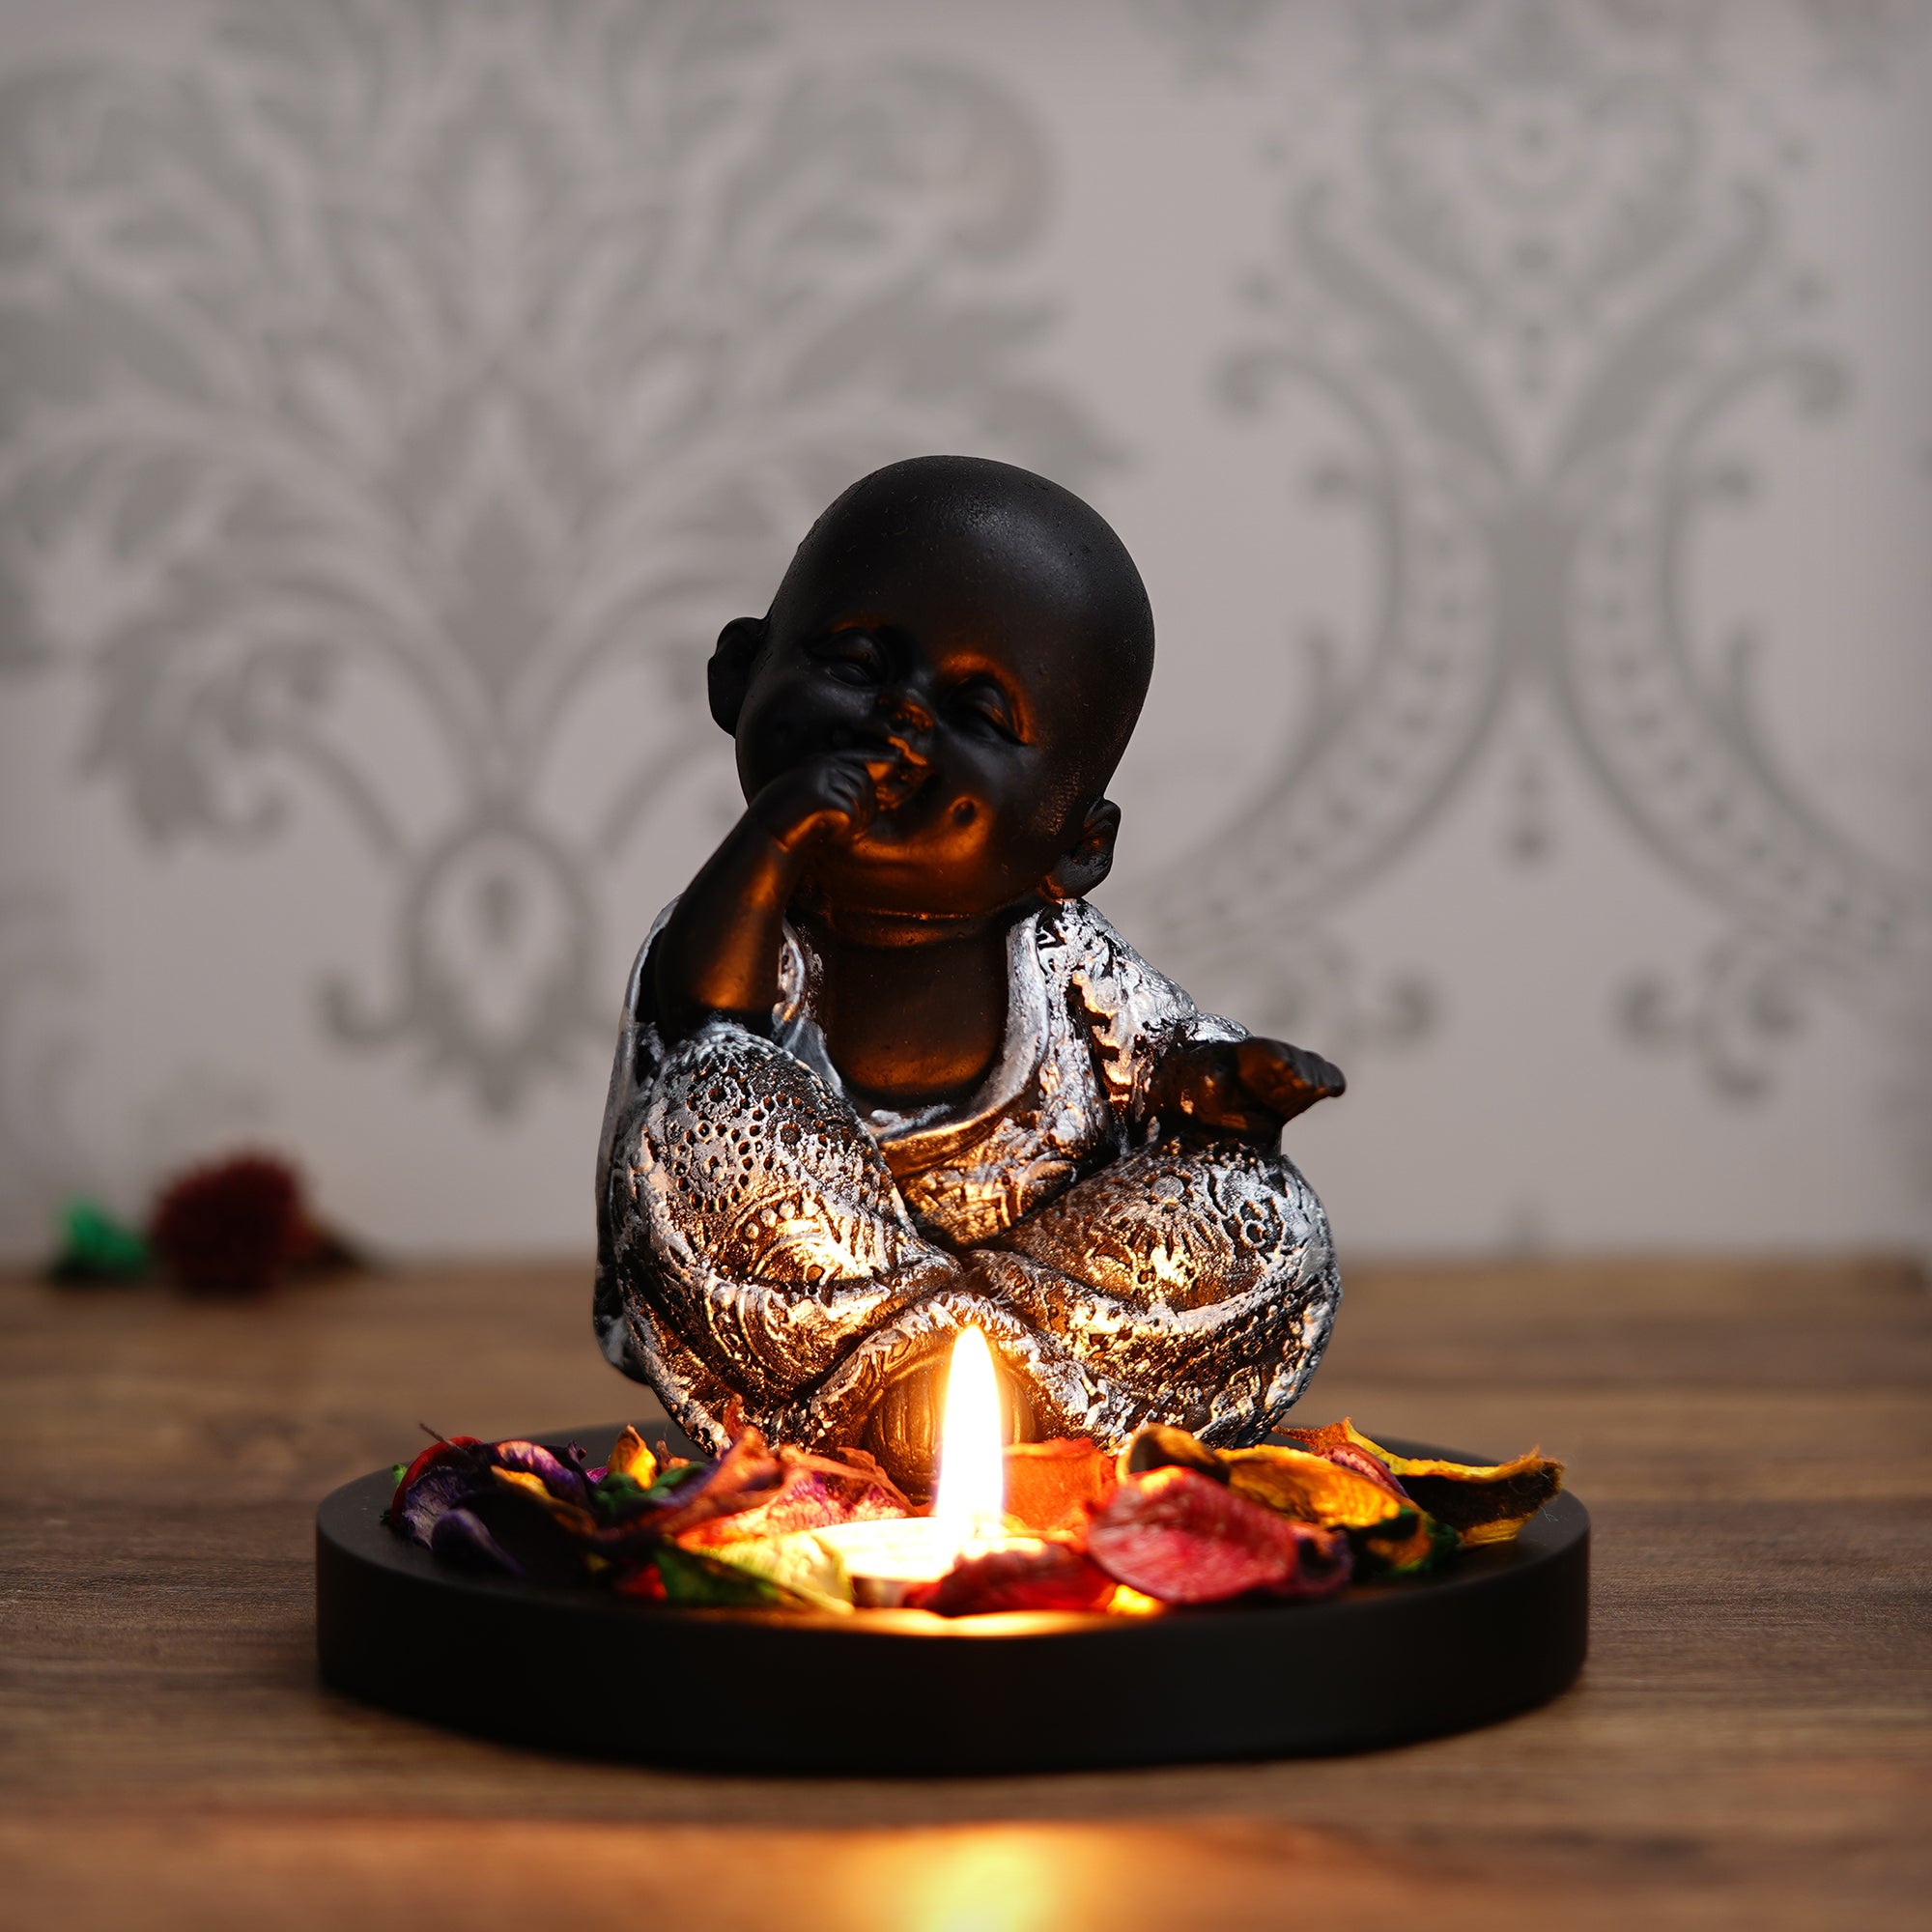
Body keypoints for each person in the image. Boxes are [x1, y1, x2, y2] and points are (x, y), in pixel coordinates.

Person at [595, 456, 1344, 1494]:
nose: (899, 718)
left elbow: (1162, 1057)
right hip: (820, 1325)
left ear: (1076, 846)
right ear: (736, 675)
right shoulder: (738, 921)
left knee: (1265, 1216)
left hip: (1043, 1309)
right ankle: (882, 1391)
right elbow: (701, 1024)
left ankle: (1004, 1402)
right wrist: (771, 836)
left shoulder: (1068, 957)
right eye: (856, 662)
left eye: (978, 717)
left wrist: (1216, 1090)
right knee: (704, 1114)